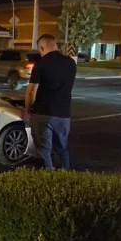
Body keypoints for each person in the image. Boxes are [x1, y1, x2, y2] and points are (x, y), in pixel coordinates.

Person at [24, 34, 77, 170]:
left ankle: (49, 176)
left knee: (44, 150)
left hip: (43, 113)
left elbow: (31, 92)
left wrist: (28, 109)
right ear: (55, 45)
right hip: (64, 114)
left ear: (42, 47)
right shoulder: (71, 63)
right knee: (62, 149)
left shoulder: (41, 65)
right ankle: (65, 177)